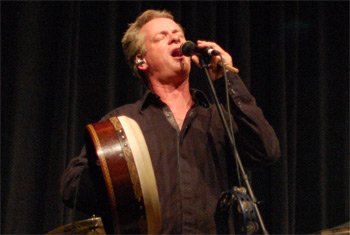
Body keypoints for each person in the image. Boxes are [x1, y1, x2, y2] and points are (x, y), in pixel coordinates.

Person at [60, 9, 280, 234]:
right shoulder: (122, 124)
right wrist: (118, 174)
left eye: (178, 34)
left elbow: (266, 150)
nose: (176, 38)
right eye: (161, 37)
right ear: (141, 60)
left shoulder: (217, 117)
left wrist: (228, 78)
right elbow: (71, 187)